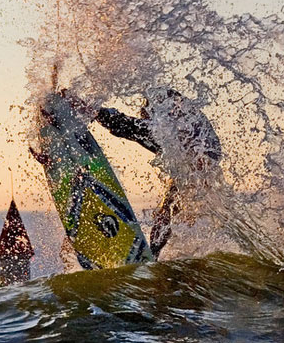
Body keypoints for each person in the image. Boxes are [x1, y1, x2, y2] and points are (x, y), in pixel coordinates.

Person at [90, 87, 222, 259]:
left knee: (169, 211)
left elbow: (127, 126)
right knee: (167, 213)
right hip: (201, 156)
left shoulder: (171, 128)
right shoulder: (176, 129)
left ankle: (154, 255)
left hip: (201, 155)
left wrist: (90, 110)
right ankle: (155, 256)